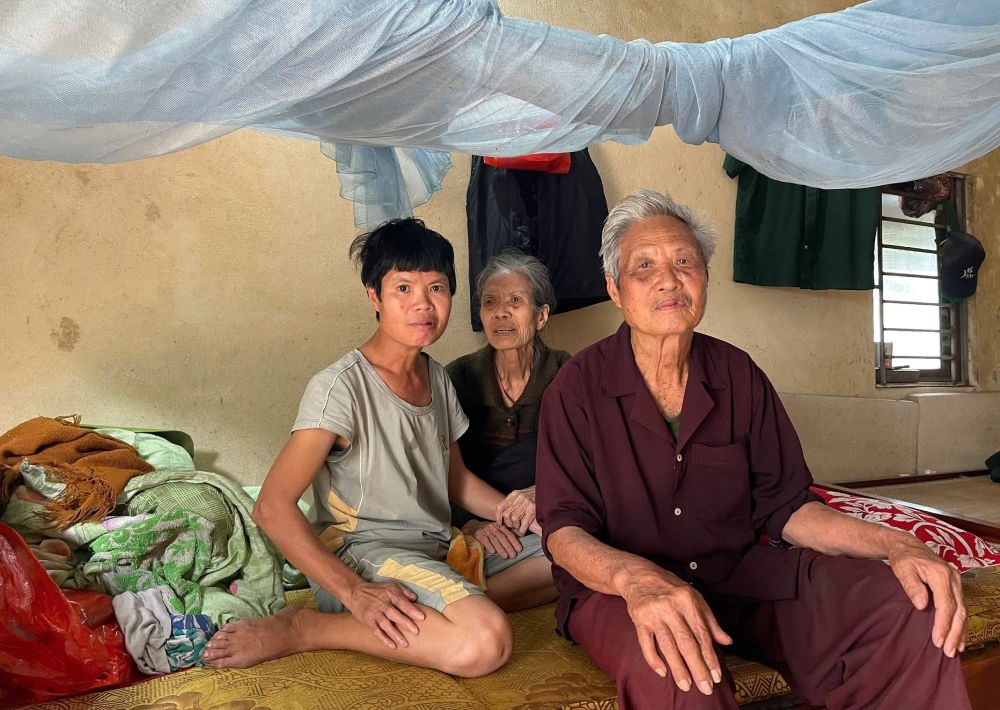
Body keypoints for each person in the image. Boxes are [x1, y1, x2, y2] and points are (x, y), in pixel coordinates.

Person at [535, 190, 970, 710]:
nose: (668, 280)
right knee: (678, 672)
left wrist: (894, 544)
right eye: (643, 267)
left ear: (704, 278)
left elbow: (787, 507)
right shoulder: (576, 388)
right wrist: (637, 579)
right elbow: (563, 531)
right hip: (622, 591)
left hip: (736, 575)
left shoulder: (737, 374)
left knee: (908, 604)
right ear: (615, 289)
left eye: (684, 262)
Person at [201, 218, 548, 673]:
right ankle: (307, 627)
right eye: (403, 288)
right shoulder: (341, 387)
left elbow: (456, 481)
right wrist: (354, 592)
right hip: (363, 556)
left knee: (568, 552)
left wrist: (522, 514)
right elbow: (271, 507)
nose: (422, 303)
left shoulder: (437, 377)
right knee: (485, 643)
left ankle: (446, 608)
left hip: (435, 547)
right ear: (374, 297)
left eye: (437, 288)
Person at [446, 251, 569, 608]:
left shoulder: (568, 374)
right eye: (490, 302)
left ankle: (460, 608)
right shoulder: (458, 377)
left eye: (515, 301)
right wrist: (470, 523)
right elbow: (441, 471)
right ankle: (462, 606)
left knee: (580, 554)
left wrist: (540, 494)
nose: (501, 312)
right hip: (480, 529)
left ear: (541, 315)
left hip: (545, 520)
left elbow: (591, 464)